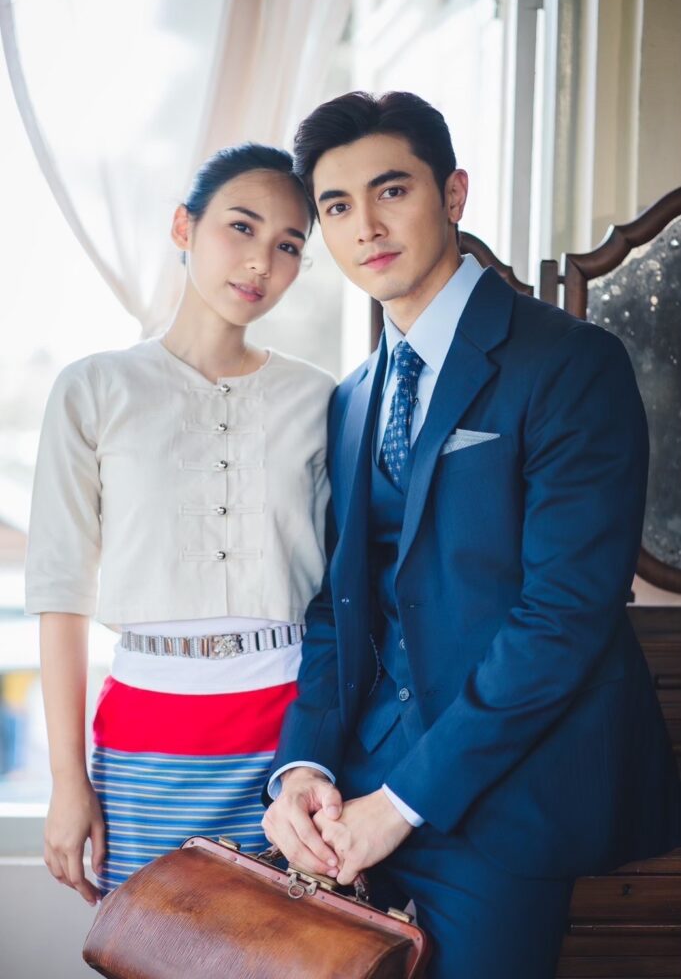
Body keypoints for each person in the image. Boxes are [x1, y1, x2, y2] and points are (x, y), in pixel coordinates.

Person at [262, 92, 681, 978]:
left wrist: (403, 802)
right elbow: (341, 608)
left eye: (391, 190)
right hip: (351, 796)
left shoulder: (570, 362)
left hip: (503, 803)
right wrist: (302, 769)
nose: (366, 226)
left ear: (452, 193)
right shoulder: (352, 398)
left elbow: (563, 614)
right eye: (336, 207)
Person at [25, 143, 335, 903]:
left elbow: (347, 587)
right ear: (183, 227)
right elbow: (61, 591)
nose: (261, 261)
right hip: (143, 745)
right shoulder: (93, 388)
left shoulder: (321, 399)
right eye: (241, 227)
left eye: (288, 245)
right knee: (148, 945)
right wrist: (68, 781)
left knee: (293, 950)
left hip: (290, 748)